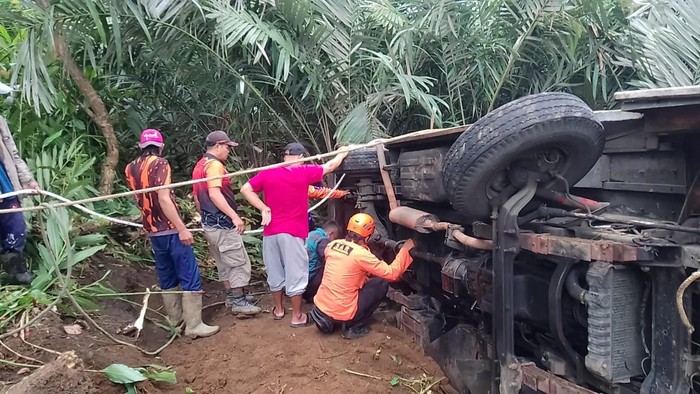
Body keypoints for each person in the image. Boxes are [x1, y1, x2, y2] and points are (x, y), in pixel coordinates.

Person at [240, 142, 349, 328]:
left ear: (285, 156)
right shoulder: (303, 171)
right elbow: (329, 167)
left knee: (274, 270)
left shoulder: (268, 172)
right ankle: (297, 316)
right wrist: (342, 153)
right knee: (296, 272)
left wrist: (263, 208)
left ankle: (279, 310)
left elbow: (245, 189)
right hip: (292, 232)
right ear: (300, 157)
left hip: (270, 233)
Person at [125, 129, 219, 339]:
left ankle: (176, 323)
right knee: (189, 274)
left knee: (167, 275)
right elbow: (164, 198)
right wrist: (182, 228)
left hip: (153, 230)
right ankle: (194, 325)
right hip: (170, 228)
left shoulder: (130, 168)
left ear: (141, 146)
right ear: (161, 146)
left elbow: (139, 199)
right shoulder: (160, 164)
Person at [310, 213, 416, 339]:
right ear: (367, 237)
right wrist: (406, 249)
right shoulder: (361, 255)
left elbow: (346, 268)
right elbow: (391, 274)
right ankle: (354, 327)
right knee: (381, 283)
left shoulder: (332, 245)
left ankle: (334, 318)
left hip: (321, 307)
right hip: (342, 312)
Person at [192, 130, 261, 317]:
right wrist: (234, 216)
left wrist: (205, 217)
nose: (229, 151)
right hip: (222, 224)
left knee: (223, 262)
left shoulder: (200, 165)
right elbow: (214, 194)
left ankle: (232, 296)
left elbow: (197, 197)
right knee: (237, 262)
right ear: (218, 146)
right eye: (227, 147)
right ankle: (239, 301)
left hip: (210, 224)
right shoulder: (214, 165)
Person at [0, 116, 39, 285]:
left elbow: (11, 151)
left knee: (15, 223)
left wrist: (27, 179)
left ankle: (17, 269)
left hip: (4, 181)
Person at [302, 220, 340, 304]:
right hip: (307, 286)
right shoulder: (322, 240)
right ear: (331, 234)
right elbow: (328, 258)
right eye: (335, 238)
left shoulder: (311, 234)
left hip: (295, 282)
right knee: (332, 263)